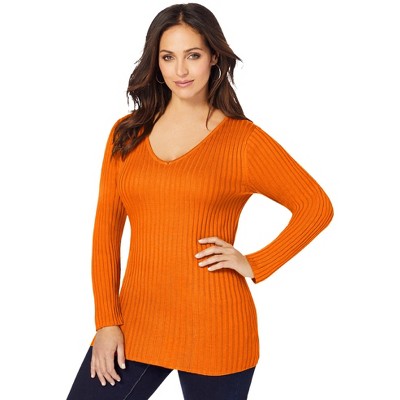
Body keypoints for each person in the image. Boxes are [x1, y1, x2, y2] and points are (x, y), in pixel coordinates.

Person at [66, 3, 334, 399]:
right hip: (136, 323)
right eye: (168, 57)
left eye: (192, 55)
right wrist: (106, 320)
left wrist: (255, 263)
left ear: (214, 57)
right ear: (156, 62)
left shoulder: (243, 141)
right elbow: (105, 232)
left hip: (217, 327)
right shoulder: (127, 134)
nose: (181, 70)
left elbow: (316, 206)